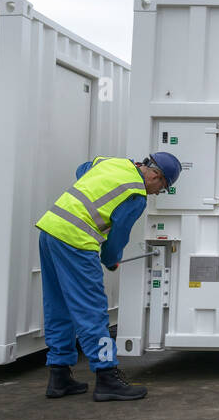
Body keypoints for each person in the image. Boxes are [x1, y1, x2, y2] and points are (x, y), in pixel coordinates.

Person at [35, 151, 181, 401]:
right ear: (156, 175)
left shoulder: (113, 163)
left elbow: (82, 169)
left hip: (50, 230)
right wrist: (110, 260)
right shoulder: (136, 195)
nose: (157, 193)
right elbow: (117, 238)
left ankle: (59, 377)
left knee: (57, 305)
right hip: (76, 240)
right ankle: (107, 377)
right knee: (91, 309)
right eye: (163, 187)